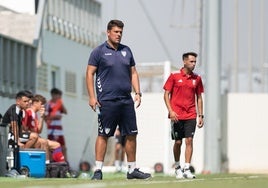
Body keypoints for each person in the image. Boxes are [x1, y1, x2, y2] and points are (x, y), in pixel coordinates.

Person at [86, 19, 151, 180]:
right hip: (107, 101)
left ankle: (132, 170)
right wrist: (92, 97)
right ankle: (98, 170)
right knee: (103, 134)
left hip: (126, 101)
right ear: (108, 32)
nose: (119, 35)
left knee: (131, 134)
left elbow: (134, 73)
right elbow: (89, 73)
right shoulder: (98, 52)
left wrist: (138, 92)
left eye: (121, 32)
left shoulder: (127, 51)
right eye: (116, 32)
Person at [163, 52, 204, 179]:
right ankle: (177, 167)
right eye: (191, 61)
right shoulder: (174, 76)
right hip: (176, 115)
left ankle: (187, 168)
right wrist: (171, 111)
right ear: (184, 62)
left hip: (191, 114)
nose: (194, 64)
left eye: (195, 62)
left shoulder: (197, 78)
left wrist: (201, 115)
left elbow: (199, 97)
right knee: (178, 142)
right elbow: (166, 94)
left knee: (189, 140)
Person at [2, 90, 41, 170]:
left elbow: (20, 128)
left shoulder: (22, 112)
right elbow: (14, 126)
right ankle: (19, 161)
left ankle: (29, 165)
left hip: (15, 134)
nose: (28, 103)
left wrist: (24, 134)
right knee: (34, 136)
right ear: (18, 101)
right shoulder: (14, 109)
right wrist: (18, 141)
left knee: (37, 142)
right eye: (25, 101)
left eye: (28, 101)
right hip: (6, 135)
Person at [23, 94, 66, 163]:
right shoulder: (29, 112)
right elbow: (27, 129)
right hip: (30, 138)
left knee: (57, 145)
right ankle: (47, 165)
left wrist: (42, 117)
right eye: (41, 104)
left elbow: (39, 130)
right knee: (44, 142)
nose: (43, 106)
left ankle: (61, 165)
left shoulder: (35, 114)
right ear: (35, 103)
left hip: (36, 137)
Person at [45, 88, 68, 160]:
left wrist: (61, 103)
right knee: (51, 147)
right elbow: (45, 117)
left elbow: (65, 112)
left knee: (63, 147)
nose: (59, 97)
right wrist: (54, 117)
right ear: (53, 95)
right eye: (58, 95)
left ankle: (65, 163)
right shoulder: (48, 104)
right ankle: (51, 162)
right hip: (52, 129)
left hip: (59, 129)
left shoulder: (59, 104)